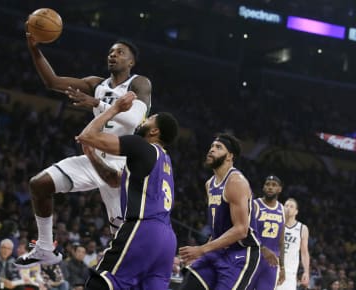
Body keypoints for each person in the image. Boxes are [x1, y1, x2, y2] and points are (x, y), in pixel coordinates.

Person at [15, 27, 151, 268]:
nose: (113, 55)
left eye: (120, 52)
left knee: (125, 239)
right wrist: (34, 48)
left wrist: (97, 103)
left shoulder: (138, 83)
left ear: (132, 61)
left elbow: (134, 120)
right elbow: (52, 81)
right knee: (39, 184)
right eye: (111, 52)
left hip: (122, 167)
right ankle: (45, 249)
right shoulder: (95, 83)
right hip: (93, 159)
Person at [75, 91, 179, 289]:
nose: (142, 122)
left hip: (144, 229)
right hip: (167, 241)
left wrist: (115, 108)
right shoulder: (165, 160)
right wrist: (92, 156)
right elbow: (114, 179)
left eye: (149, 119)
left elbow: (87, 135)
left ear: (155, 131)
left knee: (100, 284)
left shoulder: (142, 146)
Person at [178, 133, 260, 290]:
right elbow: (218, 229)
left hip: (240, 253)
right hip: (218, 250)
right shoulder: (210, 184)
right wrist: (202, 252)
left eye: (218, 147)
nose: (211, 150)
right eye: (211, 146)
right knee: (188, 285)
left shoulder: (236, 181)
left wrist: (201, 249)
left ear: (229, 156)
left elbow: (241, 230)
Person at [249, 175, 286, 289]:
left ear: (279, 189)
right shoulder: (255, 205)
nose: (270, 187)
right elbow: (247, 232)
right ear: (263, 188)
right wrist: (262, 248)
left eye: (274, 185)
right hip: (253, 259)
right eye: (267, 184)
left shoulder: (282, 209)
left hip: (271, 264)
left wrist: (283, 267)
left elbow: (281, 241)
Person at [276, 198, 310, 290]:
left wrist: (306, 272)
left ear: (296, 212)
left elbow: (304, 252)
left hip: (289, 273)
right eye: (286, 205)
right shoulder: (276, 224)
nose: (288, 208)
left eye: (291, 206)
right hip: (273, 269)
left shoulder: (302, 228)